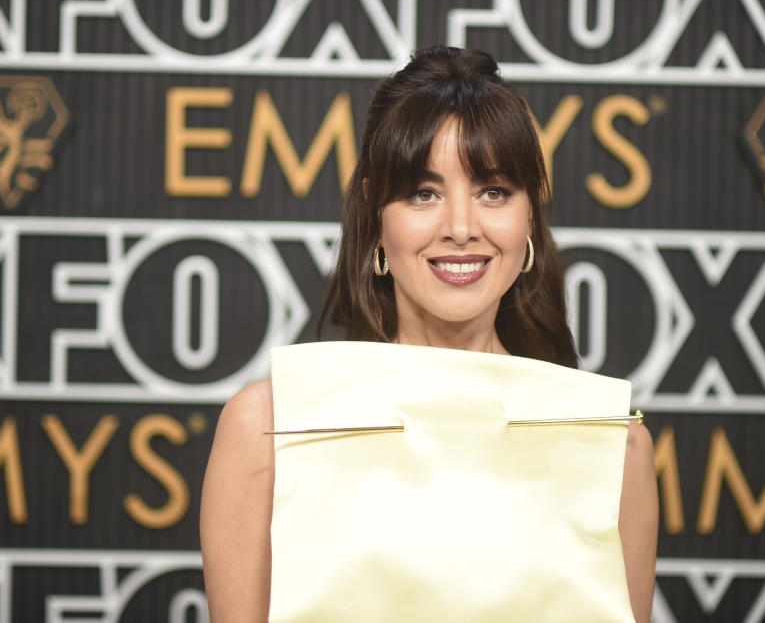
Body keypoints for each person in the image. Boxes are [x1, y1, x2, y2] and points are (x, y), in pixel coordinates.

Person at [200, 46, 658, 622]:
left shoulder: (615, 447)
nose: (461, 228)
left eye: (493, 191)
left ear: (529, 220)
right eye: (424, 193)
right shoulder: (270, 427)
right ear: (377, 214)